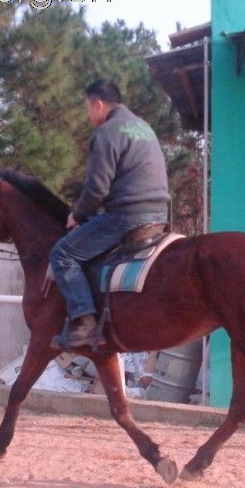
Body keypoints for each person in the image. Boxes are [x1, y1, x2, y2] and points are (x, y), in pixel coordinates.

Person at [49, 79, 170, 350]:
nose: (88, 115)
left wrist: (77, 215)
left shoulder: (107, 132)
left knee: (63, 254)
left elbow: (97, 188)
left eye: (87, 108)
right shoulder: (144, 128)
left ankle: (84, 323)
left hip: (128, 215)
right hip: (158, 214)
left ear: (99, 104)